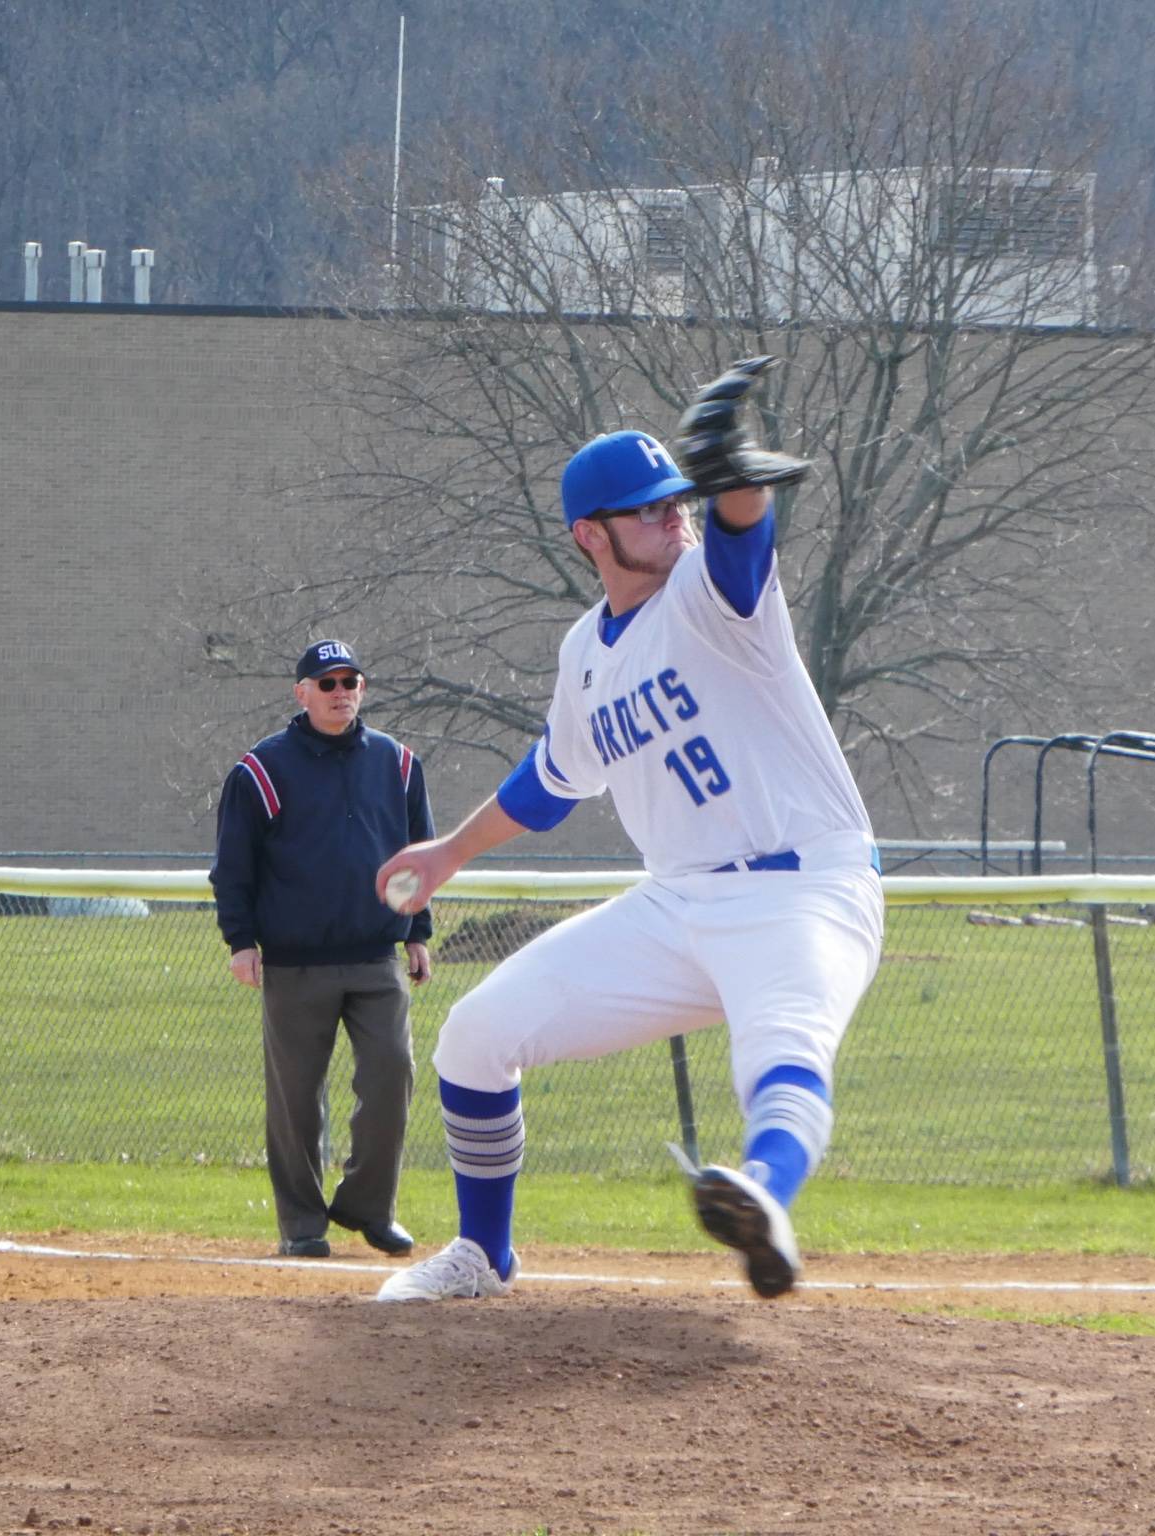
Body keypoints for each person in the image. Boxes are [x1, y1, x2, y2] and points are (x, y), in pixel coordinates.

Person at [371, 358, 883, 1303]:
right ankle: (485, 1256)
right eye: (649, 509)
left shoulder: (711, 600)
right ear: (590, 535)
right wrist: (448, 854)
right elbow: (554, 781)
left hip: (802, 886)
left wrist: (731, 484)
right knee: (475, 1036)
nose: (672, 517)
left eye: (677, 501)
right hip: (675, 903)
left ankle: (762, 1202)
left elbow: (739, 542)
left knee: (782, 1052)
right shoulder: (585, 653)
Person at [210, 638, 435, 1260]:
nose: (340, 693)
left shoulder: (397, 764)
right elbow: (233, 865)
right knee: (295, 1100)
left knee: (392, 1076)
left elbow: (421, 857)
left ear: (362, 689)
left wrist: (418, 932)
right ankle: (302, 1225)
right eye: (326, 683)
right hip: (294, 959)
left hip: (375, 956)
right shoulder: (261, 770)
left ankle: (368, 1207)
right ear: (301, 692)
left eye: (349, 682)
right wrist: (241, 941)